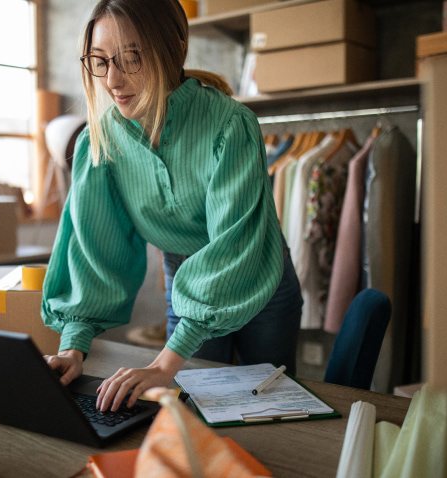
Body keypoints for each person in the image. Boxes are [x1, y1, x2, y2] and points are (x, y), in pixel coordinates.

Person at [41, 0, 303, 413]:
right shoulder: (100, 142)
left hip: (261, 276)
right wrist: (73, 349)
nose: (112, 79)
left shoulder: (230, 125)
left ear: (172, 49)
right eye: (99, 61)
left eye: (131, 59)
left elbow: (236, 244)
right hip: (186, 283)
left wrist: (164, 364)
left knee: (271, 408)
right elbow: (92, 253)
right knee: (193, 411)